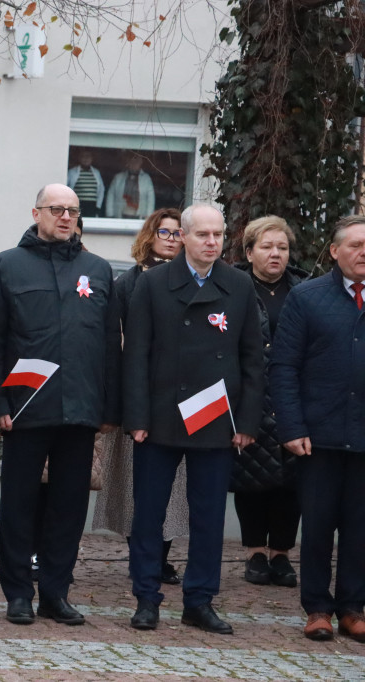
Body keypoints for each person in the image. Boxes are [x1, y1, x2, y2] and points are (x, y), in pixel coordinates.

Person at [0, 183, 121, 627]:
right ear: (36, 213)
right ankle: (19, 593)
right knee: (19, 506)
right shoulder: (7, 266)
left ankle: (56, 594)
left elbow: (109, 345)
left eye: (73, 211)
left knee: (68, 508)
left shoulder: (98, 271)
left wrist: (109, 408)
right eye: (57, 209)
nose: (66, 217)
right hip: (25, 409)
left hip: (81, 411)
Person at [124, 204, 263, 635]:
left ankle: (199, 600)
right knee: (148, 513)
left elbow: (252, 360)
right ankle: (146, 597)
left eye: (218, 235)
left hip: (215, 416)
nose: (212, 242)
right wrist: (137, 416)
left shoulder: (239, 285)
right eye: (202, 234)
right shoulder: (152, 283)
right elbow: (136, 356)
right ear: (182, 236)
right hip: (161, 415)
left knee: (208, 517)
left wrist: (246, 423)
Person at [271, 215, 365, 643]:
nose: (363, 253)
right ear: (334, 251)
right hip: (317, 435)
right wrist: (291, 426)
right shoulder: (306, 298)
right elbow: (284, 367)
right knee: (319, 525)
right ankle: (317, 608)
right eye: (356, 245)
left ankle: (352, 608)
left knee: (360, 526)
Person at [93, 208, 189, 585]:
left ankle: (161, 556)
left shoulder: (193, 280)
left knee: (175, 483)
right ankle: (141, 552)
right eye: (163, 231)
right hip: (136, 394)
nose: (170, 238)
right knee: (134, 481)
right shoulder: (127, 283)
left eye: (177, 232)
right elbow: (114, 341)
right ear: (149, 235)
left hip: (178, 397)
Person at [231, 216, 305, 588]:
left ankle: (281, 554)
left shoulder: (305, 289)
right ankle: (255, 552)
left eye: (282, 247)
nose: (275, 254)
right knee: (250, 477)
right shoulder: (232, 287)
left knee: (291, 480)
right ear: (249, 251)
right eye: (267, 246)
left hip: (293, 395)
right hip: (249, 395)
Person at [106, 153, 156, 220]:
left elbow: (151, 199)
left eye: (137, 162)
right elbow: (110, 196)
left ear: (141, 163)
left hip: (140, 216)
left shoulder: (146, 179)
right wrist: (110, 215)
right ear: (128, 163)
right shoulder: (118, 177)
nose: (134, 164)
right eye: (131, 161)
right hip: (119, 216)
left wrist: (149, 216)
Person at [67, 151, 105, 218]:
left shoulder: (96, 172)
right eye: (83, 156)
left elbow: (101, 190)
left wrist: (98, 206)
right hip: (78, 205)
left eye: (88, 157)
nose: (86, 159)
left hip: (92, 206)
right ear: (79, 158)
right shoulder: (72, 172)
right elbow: (66, 189)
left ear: (92, 159)